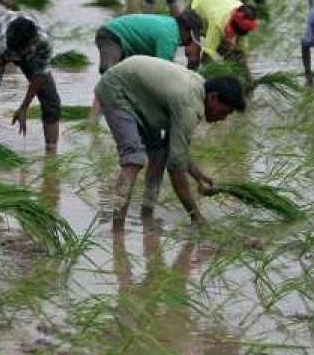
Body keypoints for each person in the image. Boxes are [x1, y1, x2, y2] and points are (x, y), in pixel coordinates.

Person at [94, 55, 246, 230]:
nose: (222, 118)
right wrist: (195, 216)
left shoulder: (198, 89)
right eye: (224, 112)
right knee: (133, 158)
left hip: (141, 94)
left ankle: (147, 215)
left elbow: (177, 149)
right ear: (213, 98)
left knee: (159, 154)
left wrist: (199, 177)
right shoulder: (190, 106)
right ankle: (117, 230)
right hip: (116, 89)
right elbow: (176, 168)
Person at [91, 11, 203, 122]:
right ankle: (92, 122)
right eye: (190, 38)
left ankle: (116, 119)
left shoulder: (170, 26)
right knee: (108, 81)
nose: (187, 43)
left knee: (122, 83)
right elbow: (160, 75)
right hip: (111, 36)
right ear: (186, 30)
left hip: (122, 42)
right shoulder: (170, 37)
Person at [0, 10, 60, 150]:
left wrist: (24, 108)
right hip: (0, 39)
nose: (15, 58)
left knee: (51, 101)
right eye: (14, 53)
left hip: (30, 53)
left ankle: (51, 155)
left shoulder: (43, 42)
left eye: (19, 54)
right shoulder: (2, 43)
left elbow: (39, 76)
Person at [188, 0, 259, 87]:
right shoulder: (218, 22)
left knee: (232, 55)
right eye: (236, 30)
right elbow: (206, 58)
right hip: (195, 10)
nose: (237, 35)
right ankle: (189, 83)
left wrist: (249, 80)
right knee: (194, 59)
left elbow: (240, 55)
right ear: (233, 20)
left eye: (240, 33)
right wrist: (220, 79)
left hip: (214, 9)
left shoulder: (244, 22)